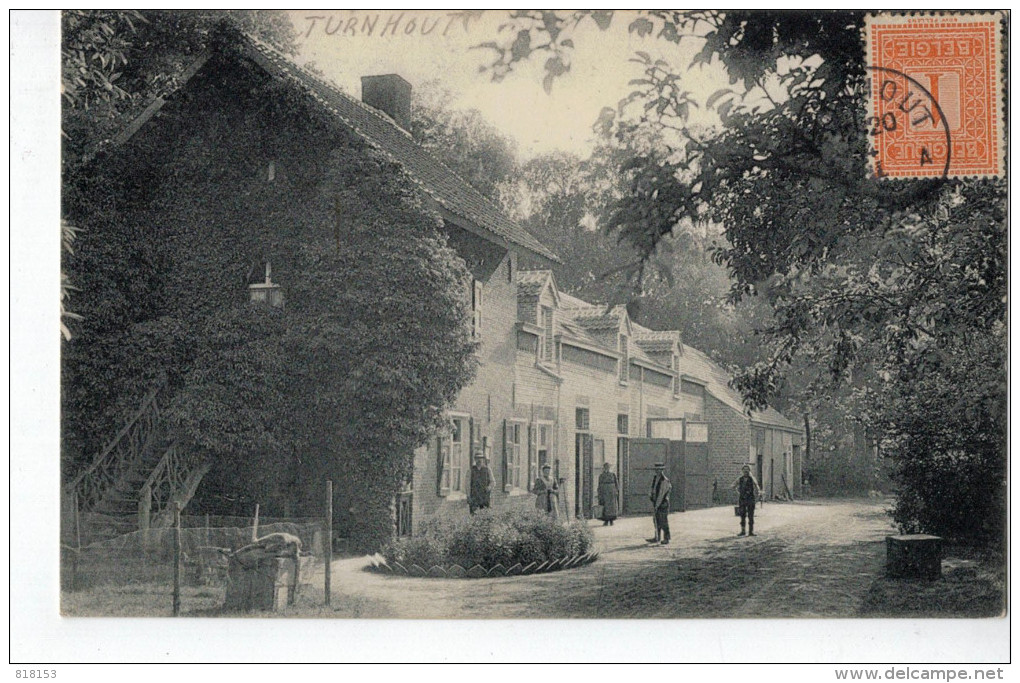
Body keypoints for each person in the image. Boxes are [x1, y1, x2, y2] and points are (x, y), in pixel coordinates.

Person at [732, 464, 762, 536]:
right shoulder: (740, 479)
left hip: (750, 498)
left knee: (751, 515)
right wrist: (738, 492)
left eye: (747, 469)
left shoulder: (752, 479)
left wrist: (758, 493)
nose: (746, 471)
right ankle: (743, 531)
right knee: (742, 515)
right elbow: (733, 485)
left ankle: (751, 531)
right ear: (742, 471)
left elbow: (757, 486)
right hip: (742, 499)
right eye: (744, 469)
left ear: (749, 471)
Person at [647, 462, 672, 545]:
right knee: (656, 520)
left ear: (662, 470)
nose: (657, 471)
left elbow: (661, 494)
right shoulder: (655, 478)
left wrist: (657, 505)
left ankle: (666, 538)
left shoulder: (664, 480)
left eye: (659, 470)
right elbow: (652, 488)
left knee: (663, 521)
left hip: (663, 503)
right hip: (656, 501)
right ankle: (657, 537)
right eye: (656, 470)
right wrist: (651, 495)